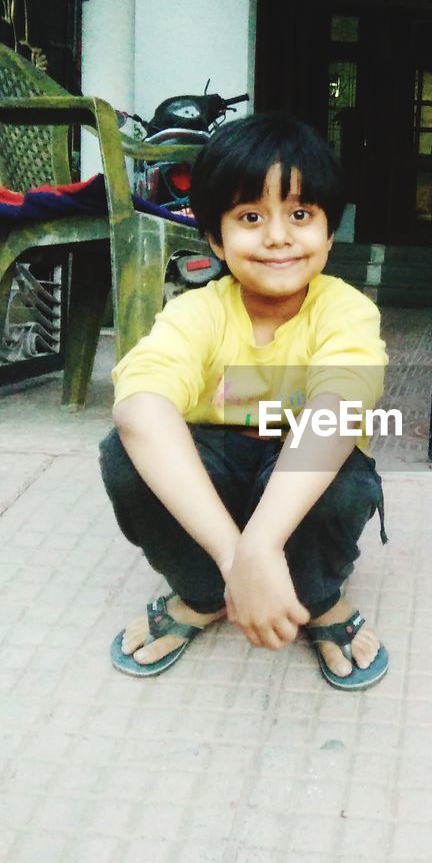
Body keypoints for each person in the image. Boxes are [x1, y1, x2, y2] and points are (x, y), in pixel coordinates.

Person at [99, 112, 389, 690]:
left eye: (300, 214)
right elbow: (140, 405)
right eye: (250, 217)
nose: (278, 236)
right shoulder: (195, 311)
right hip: (217, 481)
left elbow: (339, 409)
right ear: (214, 237)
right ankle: (206, 593)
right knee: (127, 455)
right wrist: (239, 560)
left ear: (330, 231)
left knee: (341, 477)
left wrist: (261, 541)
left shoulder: (346, 310)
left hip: (297, 473)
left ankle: (317, 598)